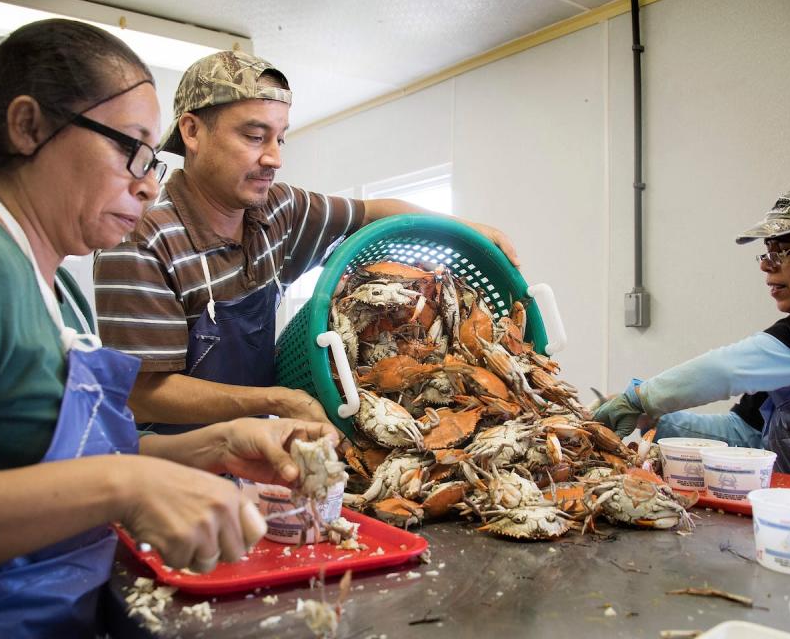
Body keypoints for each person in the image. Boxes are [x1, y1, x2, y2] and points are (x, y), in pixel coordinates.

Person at [0, 20, 336, 637]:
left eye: (153, 159)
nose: (149, 184)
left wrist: (219, 444)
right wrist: (122, 486)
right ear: (28, 126)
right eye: (131, 149)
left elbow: (63, 460)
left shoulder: (58, 288)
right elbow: (104, 475)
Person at [93, 50, 520, 433]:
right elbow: (141, 393)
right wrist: (278, 400)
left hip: (254, 445)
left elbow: (372, 213)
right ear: (192, 131)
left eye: (280, 138)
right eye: (254, 137)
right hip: (166, 466)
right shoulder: (140, 240)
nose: (274, 158)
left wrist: (469, 229)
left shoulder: (279, 210)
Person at [594, 184, 790, 487]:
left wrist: (640, 399)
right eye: (767, 253)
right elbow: (744, 433)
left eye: (784, 252)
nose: (768, 267)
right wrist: (653, 420)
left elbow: (725, 369)